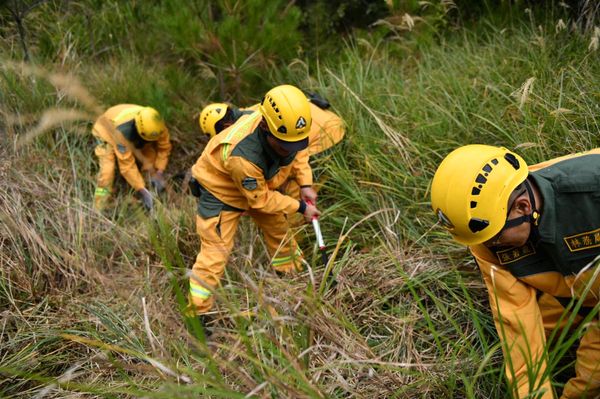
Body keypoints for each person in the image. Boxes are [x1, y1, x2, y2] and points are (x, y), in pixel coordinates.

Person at [431, 144, 600, 399]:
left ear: (522, 207)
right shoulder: (486, 234)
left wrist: (578, 392)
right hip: (575, 292)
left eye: (495, 239)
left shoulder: (592, 190)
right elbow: (518, 329)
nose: (489, 248)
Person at [188, 84, 321, 327]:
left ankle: (290, 274)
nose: (290, 148)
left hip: (256, 187)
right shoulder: (243, 156)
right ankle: (197, 316)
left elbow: (298, 152)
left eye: (296, 141)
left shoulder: (288, 130)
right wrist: (301, 207)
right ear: (264, 126)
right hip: (222, 194)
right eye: (284, 144)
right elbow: (260, 200)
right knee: (215, 255)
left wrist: (305, 183)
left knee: (279, 230)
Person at [198, 92, 345, 222]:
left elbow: (296, 155)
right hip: (327, 121)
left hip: (326, 135)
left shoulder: (257, 130)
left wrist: (303, 189)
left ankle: (299, 234)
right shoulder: (257, 112)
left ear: (226, 127)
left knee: (294, 190)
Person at [92, 104, 171, 211]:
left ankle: (149, 186)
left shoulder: (157, 125)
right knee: (107, 173)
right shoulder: (122, 132)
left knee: (150, 159)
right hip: (105, 133)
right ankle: (98, 206)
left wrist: (159, 172)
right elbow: (127, 166)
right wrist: (141, 189)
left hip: (134, 130)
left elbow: (164, 148)